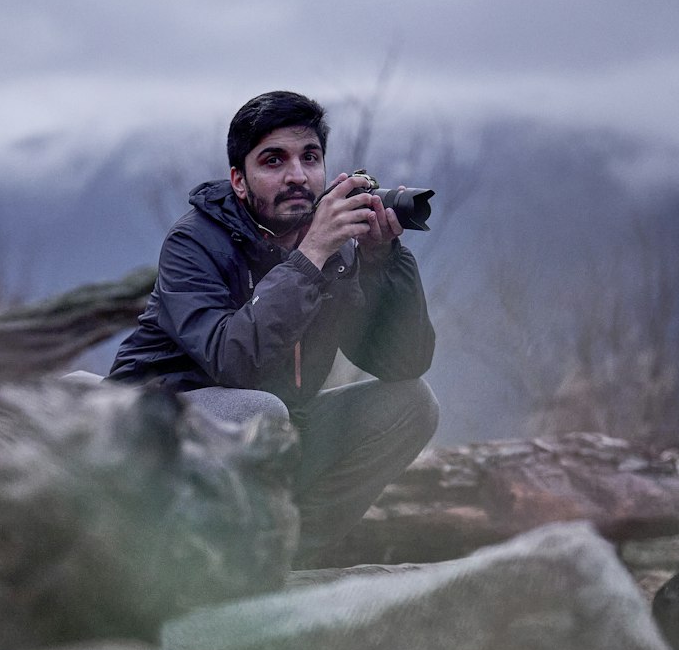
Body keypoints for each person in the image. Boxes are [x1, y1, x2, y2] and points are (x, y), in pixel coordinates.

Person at [108, 90, 438, 566]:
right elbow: (232, 360)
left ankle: (290, 561)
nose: (297, 176)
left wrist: (382, 263)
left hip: (272, 437)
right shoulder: (194, 242)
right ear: (239, 181)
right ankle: (185, 565)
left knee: (412, 404)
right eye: (273, 161)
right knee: (261, 410)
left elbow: (401, 362)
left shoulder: (334, 247)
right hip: (154, 442)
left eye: (310, 157)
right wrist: (310, 258)